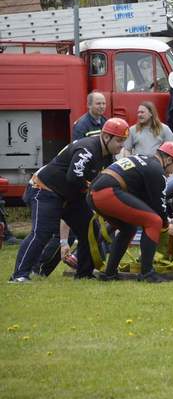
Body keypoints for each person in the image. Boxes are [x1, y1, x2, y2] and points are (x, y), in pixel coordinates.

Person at [8, 118, 129, 283]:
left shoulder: (108, 156)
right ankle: (19, 276)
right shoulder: (87, 149)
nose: (122, 145)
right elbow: (74, 177)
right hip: (44, 189)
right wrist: (93, 190)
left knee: (90, 229)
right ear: (106, 137)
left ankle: (84, 274)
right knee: (42, 232)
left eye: (124, 141)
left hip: (68, 194)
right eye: (119, 140)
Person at [87, 142, 173, 282]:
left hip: (95, 192)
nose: (172, 172)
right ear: (168, 160)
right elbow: (158, 206)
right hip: (106, 193)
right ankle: (147, 273)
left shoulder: (145, 161)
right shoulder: (157, 170)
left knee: (128, 228)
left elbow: (146, 203)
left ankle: (109, 273)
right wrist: (166, 226)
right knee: (154, 221)